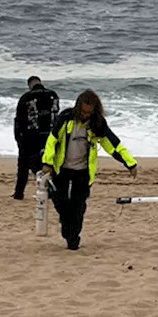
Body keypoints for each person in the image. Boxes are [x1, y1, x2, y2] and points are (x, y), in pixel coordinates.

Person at [40, 90, 138, 250]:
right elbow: (52, 141)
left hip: (83, 172)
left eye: (89, 112)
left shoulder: (97, 124)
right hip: (61, 169)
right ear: (78, 107)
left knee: (78, 209)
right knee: (63, 206)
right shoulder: (65, 118)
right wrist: (47, 163)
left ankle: (73, 239)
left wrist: (130, 163)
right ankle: (67, 230)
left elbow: (113, 145)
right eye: (83, 111)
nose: (85, 115)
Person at [12, 76, 60, 200]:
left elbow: (19, 120)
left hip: (30, 137)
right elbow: (56, 115)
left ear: (30, 85)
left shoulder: (25, 98)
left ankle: (19, 193)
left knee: (23, 165)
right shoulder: (53, 95)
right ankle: (50, 189)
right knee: (49, 163)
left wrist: (18, 139)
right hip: (50, 136)